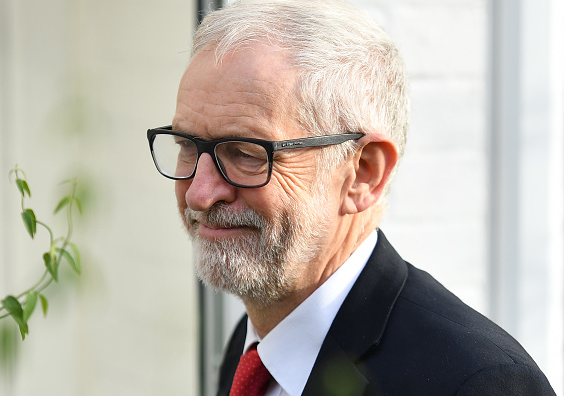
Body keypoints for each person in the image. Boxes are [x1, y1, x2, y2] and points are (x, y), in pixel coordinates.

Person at [146, 0, 556, 394]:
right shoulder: (254, 344)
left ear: (363, 173)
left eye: (246, 154)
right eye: (186, 145)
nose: (200, 194)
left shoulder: (475, 383)